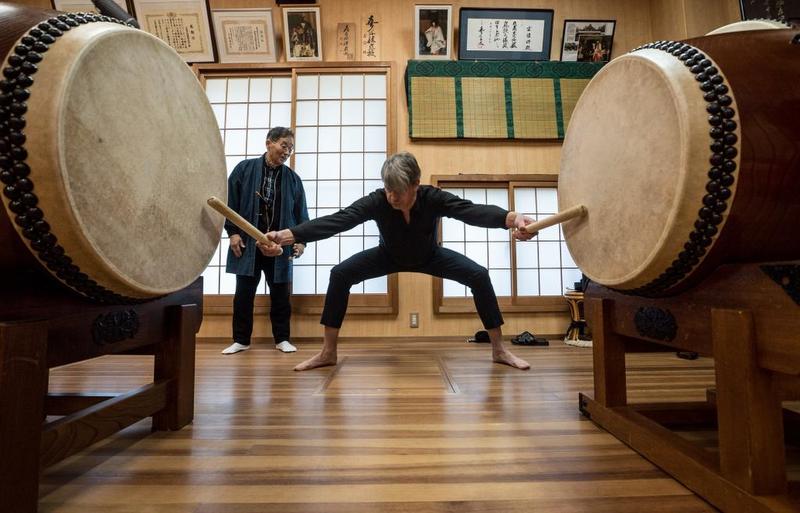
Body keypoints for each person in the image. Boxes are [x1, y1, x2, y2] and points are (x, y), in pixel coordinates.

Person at [265, 152, 536, 371]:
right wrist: (289, 235)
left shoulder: (432, 198)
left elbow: (471, 211)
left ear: (415, 185)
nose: (392, 196)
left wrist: (512, 219)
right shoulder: (378, 201)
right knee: (340, 274)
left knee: (479, 275)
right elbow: (340, 220)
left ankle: (499, 350)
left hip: (430, 256)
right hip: (388, 256)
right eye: (387, 189)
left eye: (398, 190)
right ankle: (328, 352)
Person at [222, 127, 310, 355]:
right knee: (243, 293)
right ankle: (241, 340)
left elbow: (301, 213)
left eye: (290, 148)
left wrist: (301, 241)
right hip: (248, 244)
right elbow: (229, 204)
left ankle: (282, 339)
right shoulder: (244, 169)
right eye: (284, 145)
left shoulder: (293, 179)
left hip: (279, 246)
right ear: (269, 143)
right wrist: (232, 233)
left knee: (281, 294)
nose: (287, 151)